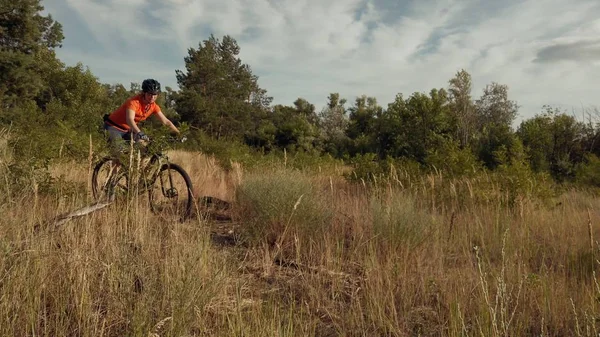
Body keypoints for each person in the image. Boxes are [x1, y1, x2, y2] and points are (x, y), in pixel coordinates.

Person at [103, 78, 180, 151]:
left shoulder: (153, 106)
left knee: (144, 148)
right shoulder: (133, 102)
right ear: (144, 93)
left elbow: (166, 121)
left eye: (155, 94)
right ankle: (112, 164)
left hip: (128, 130)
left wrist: (179, 134)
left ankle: (140, 164)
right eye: (150, 94)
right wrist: (139, 132)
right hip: (113, 127)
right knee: (120, 153)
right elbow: (130, 119)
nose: (152, 97)